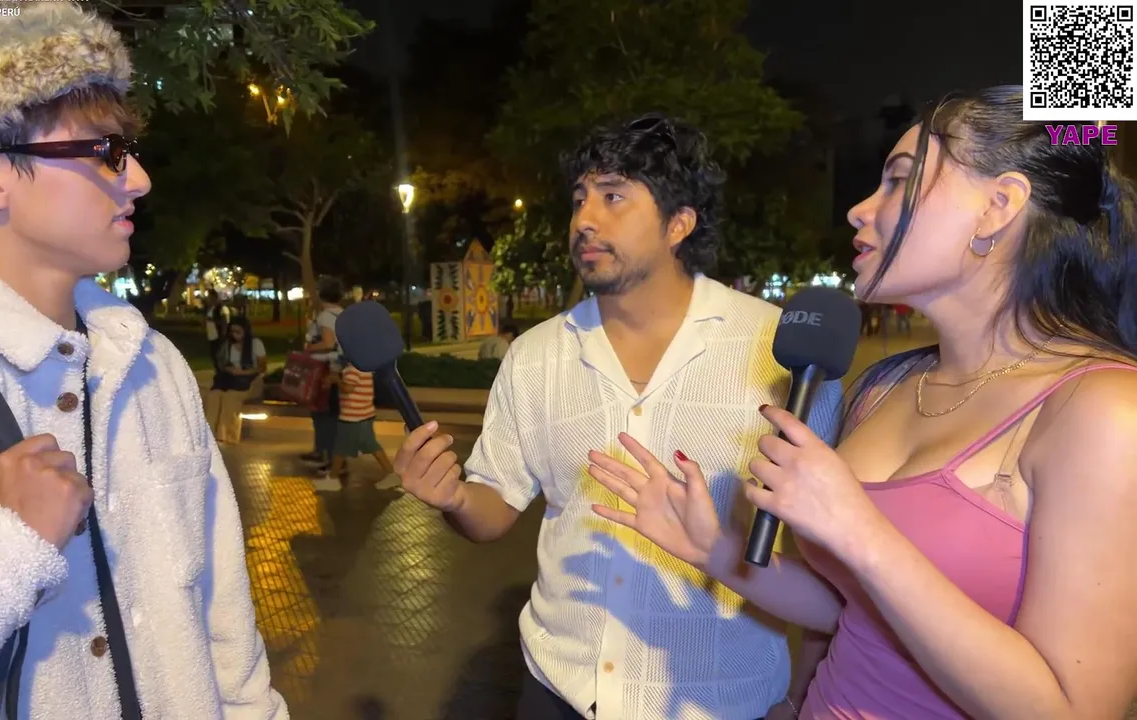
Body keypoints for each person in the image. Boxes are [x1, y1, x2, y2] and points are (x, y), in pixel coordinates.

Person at [584, 87, 1137, 719]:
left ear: (997, 206)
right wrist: (716, 549)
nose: (857, 210)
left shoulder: (1104, 410)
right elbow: (852, 612)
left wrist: (862, 532)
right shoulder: (885, 387)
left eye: (899, 181)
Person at [0, 3, 286, 717]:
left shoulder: (152, 368)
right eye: (106, 150)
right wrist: (3, 551)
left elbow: (225, 630)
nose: (138, 178)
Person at [392, 113, 842, 720]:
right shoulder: (536, 356)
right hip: (559, 690)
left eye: (613, 197)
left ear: (679, 223)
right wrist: (453, 499)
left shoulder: (780, 354)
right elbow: (494, 506)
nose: (585, 218)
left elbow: (830, 568)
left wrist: (801, 697)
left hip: (716, 701)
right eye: (579, 198)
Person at [315, 360, 398, 491]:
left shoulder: (352, 370)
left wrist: (337, 380)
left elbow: (348, 388)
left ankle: (333, 479)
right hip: (363, 414)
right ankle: (391, 474)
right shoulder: (363, 367)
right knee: (369, 445)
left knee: (341, 448)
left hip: (353, 417)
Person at [300, 277, 345, 474]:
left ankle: (329, 456)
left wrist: (308, 348)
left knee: (323, 414)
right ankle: (325, 452)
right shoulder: (341, 313)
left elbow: (328, 343)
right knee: (328, 414)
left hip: (324, 369)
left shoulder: (325, 316)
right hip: (336, 367)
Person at [205, 316, 269, 444]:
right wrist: (230, 370)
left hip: (250, 382)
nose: (235, 335)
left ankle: (226, 435)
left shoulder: (255, 344)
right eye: (232, 331)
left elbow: (262, 368)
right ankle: (208, 435)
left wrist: (242, 372)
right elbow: (222, 364)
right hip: (230, 381)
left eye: (238, 331)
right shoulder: (227, 345)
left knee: (230, 398)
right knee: (213, 396)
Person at [204, 295, 230, 366]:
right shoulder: (210, 309)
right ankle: (218, 370)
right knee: (213, 355)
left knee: (219, 355)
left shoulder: (222, 309)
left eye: (210, 298)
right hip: (211, 336)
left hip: (218, 336)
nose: (208, 300)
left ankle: (221, 370)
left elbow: (224, 322)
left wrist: (223, 334)